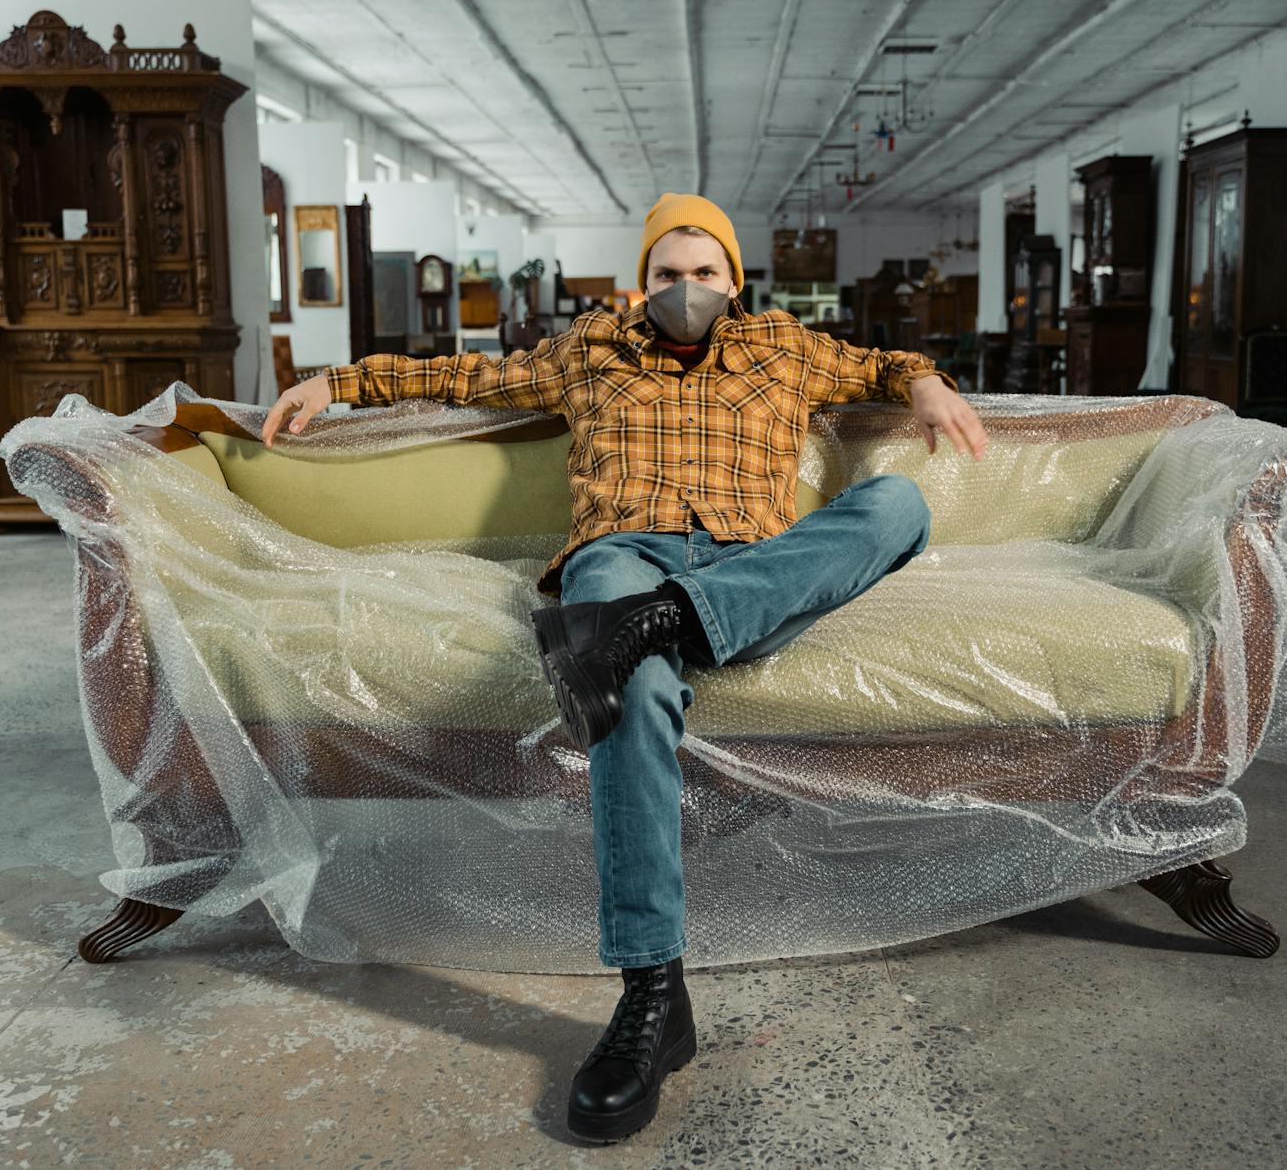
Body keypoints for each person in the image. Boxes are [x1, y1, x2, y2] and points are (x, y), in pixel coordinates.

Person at [262, 192, 989, 1143]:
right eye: (666, 274)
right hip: (620, 558)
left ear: (735, 280)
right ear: (639, 280)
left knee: (898, 504)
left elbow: (883, 363)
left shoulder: (786, 347)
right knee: (631, 686)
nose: (685, 291)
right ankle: (653, 990)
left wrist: (923, 381)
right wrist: (339, 382)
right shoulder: (588, 349)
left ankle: (663, 622)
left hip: (746, 566)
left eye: (705, 274)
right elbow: (465, 375)